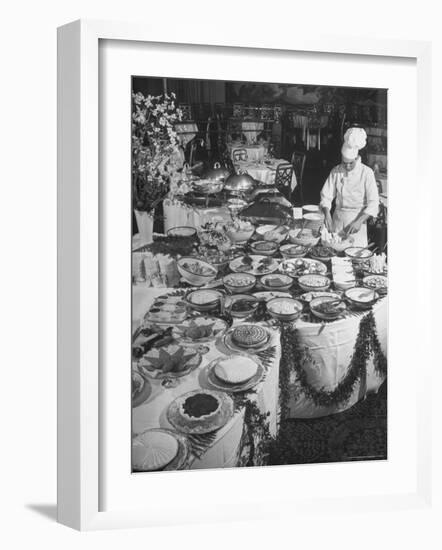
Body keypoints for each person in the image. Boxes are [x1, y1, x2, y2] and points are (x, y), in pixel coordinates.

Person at [320, 127, 379, 247]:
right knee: (335, 254)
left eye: (350, 163)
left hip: (357, 222)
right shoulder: (336, 171)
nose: (347, 167)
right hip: (337, 220)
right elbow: (326, 196)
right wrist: (327, 215)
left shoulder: (366, 173)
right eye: (344, 163)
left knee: (355, 259)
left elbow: (373, 203)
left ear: (356, 159)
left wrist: (359, 221)